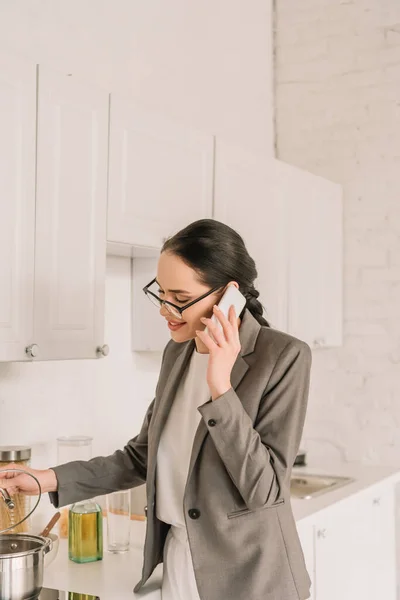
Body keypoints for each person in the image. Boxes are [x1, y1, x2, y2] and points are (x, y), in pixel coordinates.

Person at [0, 219, 312, 600]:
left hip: (251, 578)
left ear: (229, 295)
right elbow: (141, 456)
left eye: (180, 299)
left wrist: (220, 386)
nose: (166, 309)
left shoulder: (283, 357)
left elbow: (266, 492)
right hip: (179, 561)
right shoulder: (177, 351)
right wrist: (43, 478)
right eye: (160, 293)